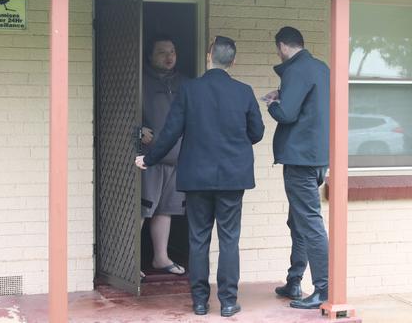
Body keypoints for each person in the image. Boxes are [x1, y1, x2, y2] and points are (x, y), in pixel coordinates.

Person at [135, 36, 264, 318]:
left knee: (199, 240)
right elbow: (257, 132)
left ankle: (200, 302)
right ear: (233, 60)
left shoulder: (190, 90)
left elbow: (170, 132)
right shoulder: (243, 91)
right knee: (229, 240)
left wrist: (149, 158)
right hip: (233, 177)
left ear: (209, 57)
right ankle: (229, 302)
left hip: (197, 177)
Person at [263, 26, 330, 309]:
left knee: (310, 223)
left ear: (282, 46)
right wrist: (283, 91)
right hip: (317, 158)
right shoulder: (320, 67)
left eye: (278, 49)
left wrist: (272, 103)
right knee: (298, 221)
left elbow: (288, 113)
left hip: (300, 159)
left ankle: (323, 289)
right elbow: (310, 104)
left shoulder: (294, 69)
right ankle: (294, 281)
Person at [140, 36, 189, 276]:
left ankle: (161, 258)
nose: (169, 56)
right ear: (150, 56)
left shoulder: (186, 83)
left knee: (165, 209)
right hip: (149, 158)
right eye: (162, 52)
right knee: (142, 209)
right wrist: (136, 130)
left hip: (177, 157)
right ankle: (129, 262)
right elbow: (116, 109)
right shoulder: (138, 80)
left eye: (172, 51)